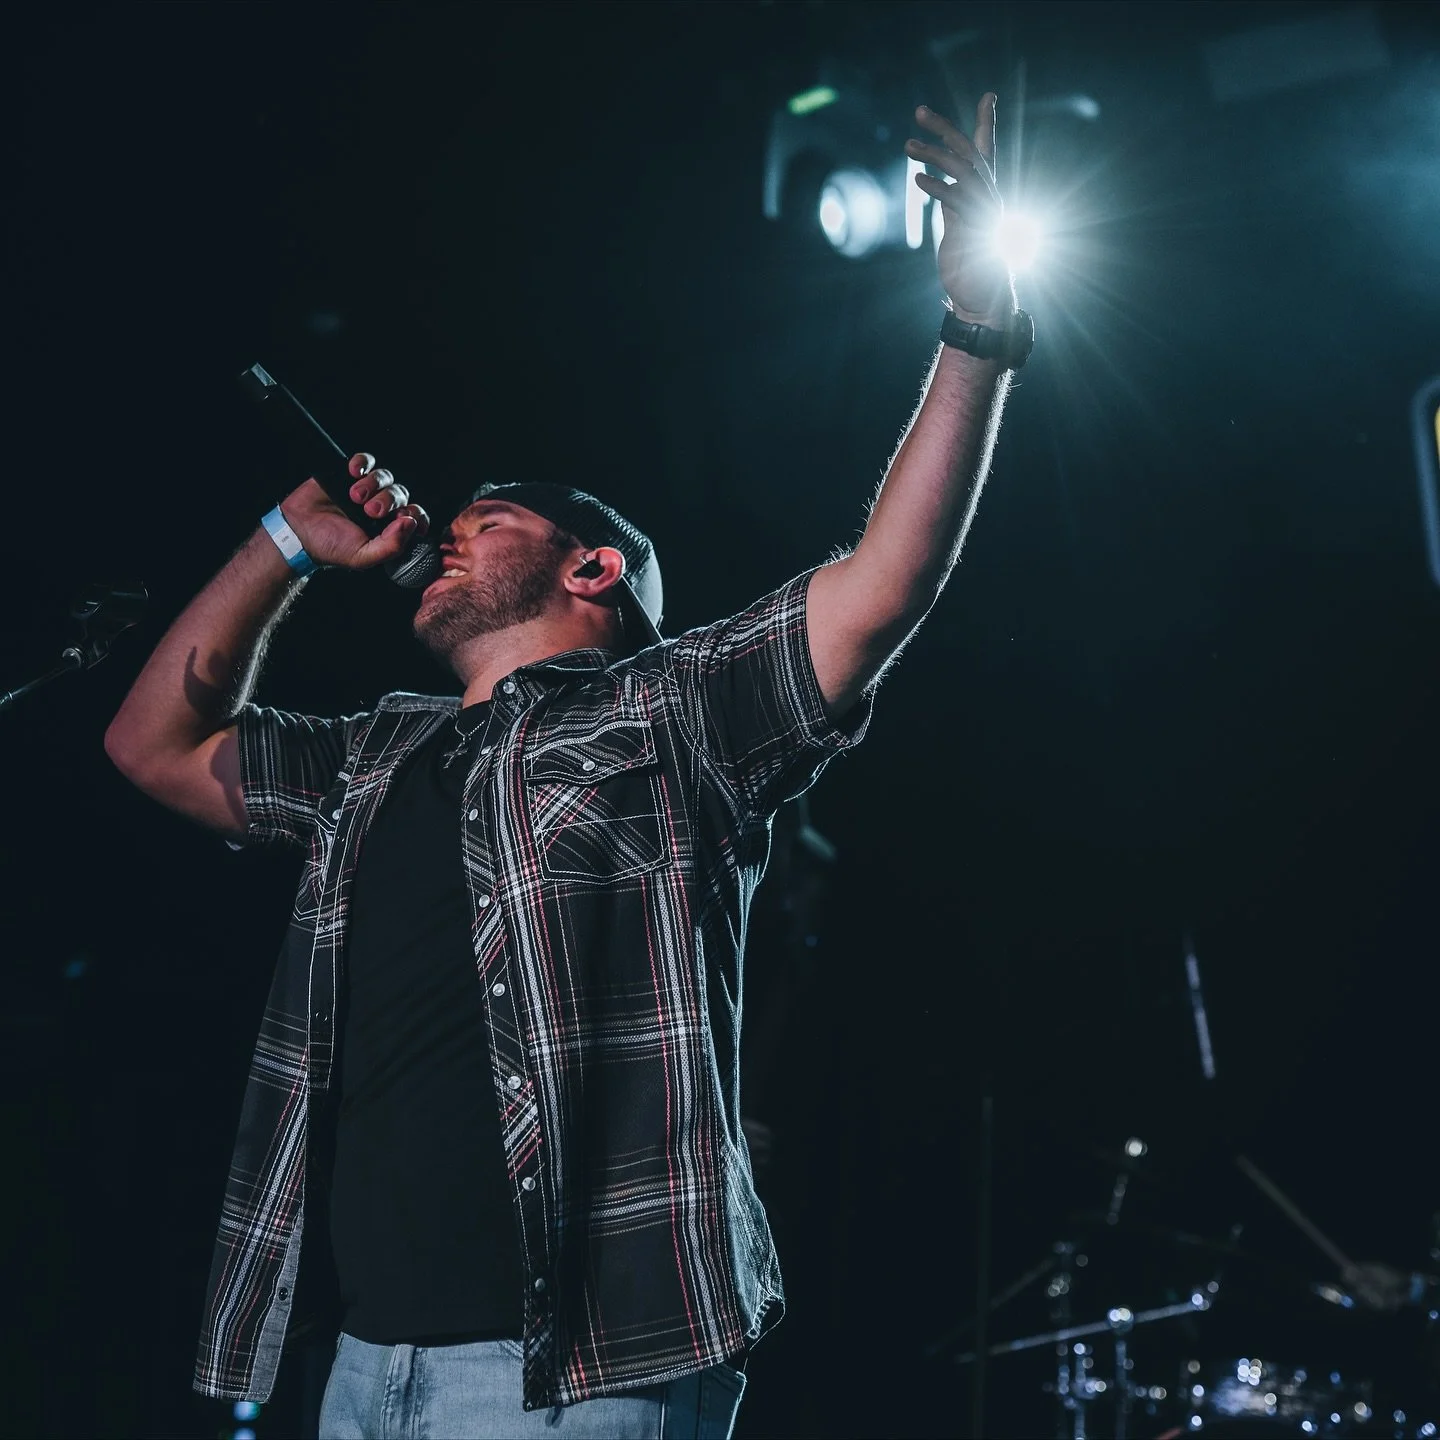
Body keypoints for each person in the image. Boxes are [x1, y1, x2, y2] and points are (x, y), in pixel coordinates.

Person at [105, 97, 1031, 1440]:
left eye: (485, 521)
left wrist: (977, 329)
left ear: (590, 566)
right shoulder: (377, 753)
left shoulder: (674, 714)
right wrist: (287, 543)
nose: (447, 535)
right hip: (358, 1366)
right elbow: (153, 747)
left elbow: (884, 585)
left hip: (579, 1377)